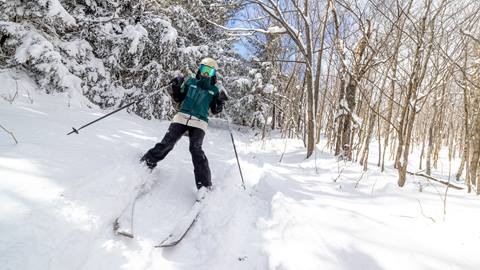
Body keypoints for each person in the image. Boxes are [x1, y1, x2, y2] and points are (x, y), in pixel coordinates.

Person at [140, 58, 227, 190]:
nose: (206, 73)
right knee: (168, 142)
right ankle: (148, 161)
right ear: (200, 69)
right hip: (182, 117)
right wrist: (176, 86)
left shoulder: (214, 90)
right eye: (204, 69)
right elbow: (178, 98)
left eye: (209, 71)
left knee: (195, 149)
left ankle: (204, 185)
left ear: (213, 73)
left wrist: (220, 101)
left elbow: (215, 110)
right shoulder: (191, 82)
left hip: (200, 122)